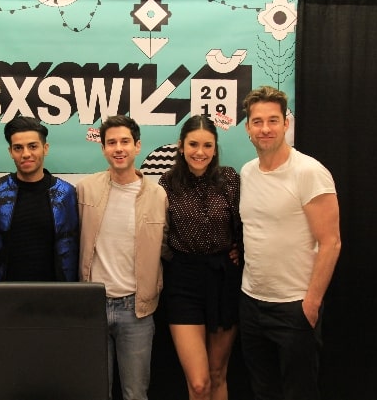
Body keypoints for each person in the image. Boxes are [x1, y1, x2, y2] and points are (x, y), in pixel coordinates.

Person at [239, 85, 341, 400]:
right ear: (248, 129)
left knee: (300, 393)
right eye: (258, 122)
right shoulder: (247, 172)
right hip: (252, 302)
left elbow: (331, 242)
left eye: (273, 120)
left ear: (286, 124)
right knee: (262, 391)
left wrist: (310, 304)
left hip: (295, 307)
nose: (265, 128)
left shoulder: (309, 172)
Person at [77, 115, 168, 400]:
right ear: (103, 148)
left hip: (137, 311)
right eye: (112, 142)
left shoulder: (157, 195)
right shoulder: (84, 190)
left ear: (137, 146)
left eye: (125, 142)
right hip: (92, 306)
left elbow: (167, 247)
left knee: (135, 394)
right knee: (94, 391)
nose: (119, 148)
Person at [158, 115, 242, 400]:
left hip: (223, 278)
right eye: (193, 144)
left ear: (215, 148)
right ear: (181, 146)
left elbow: (246, 224)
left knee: (218, 375)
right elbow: (160, 234)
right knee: (198, 383)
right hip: (183, 282)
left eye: (208, 145)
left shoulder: (230, 179)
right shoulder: (166, 183)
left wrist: (239, 248)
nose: (200, 152)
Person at [0, 116, 79, 282]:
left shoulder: (67, 194)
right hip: (3, 296)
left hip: (55, 297)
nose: (26, 154)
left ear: (45, 148)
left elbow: (74, 250)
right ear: (10, 152)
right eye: (18, 148)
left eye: (33, 146)